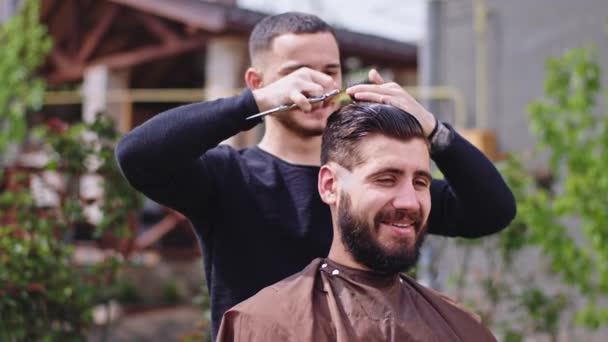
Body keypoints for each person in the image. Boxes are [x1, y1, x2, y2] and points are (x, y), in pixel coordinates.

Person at [115, 12, 515, 339]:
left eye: (330, 71)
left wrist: (434, 130)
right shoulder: (228, 176)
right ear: (257, 80)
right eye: (297, 72)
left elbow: (493, 211)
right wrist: (254, 103)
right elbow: (138, 155)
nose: (318, 84)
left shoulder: (377, 186)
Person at [217, 103, 497, 341]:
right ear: (330, 186)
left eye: (421, 182)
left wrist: (436, 130)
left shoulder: (459, 326)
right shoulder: (268, 325)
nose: (409, 201)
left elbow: (496, 208)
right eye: (386, 179)